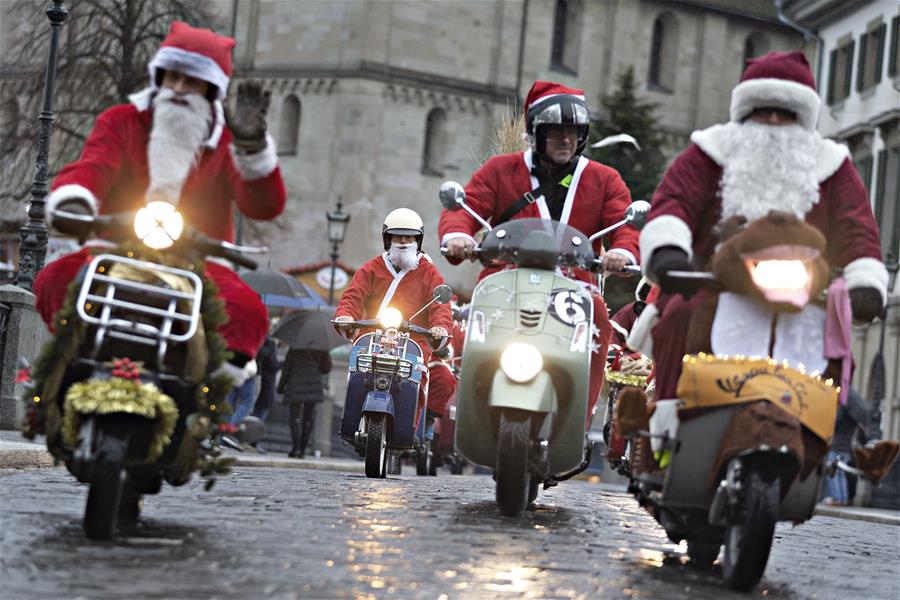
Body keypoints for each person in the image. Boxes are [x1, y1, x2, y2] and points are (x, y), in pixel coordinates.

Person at [33, 21, 286, 382]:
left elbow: (262, 206)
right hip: (115, 245)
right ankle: (71, 366)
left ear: (211, 89)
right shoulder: (122, 121)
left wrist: (252, 148)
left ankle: (205, 405)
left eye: (192, 81)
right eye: (173, 78)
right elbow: (93, 166)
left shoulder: (227, 141)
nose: (180, 89)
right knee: (58, 278)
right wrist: (75, 203)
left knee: (247, 311)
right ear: (160, 78)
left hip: (196, 261)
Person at [635, 51, 887, 401]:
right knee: (679, 318)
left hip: (805, 294)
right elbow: (675, 200)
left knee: (832, 347)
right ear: (744, 111)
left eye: (784, 113)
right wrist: (668, 250)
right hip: (713, 282)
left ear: (802, 117)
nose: (770, 120)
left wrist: (865, 283)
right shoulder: (710, 151)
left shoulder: (832, 164)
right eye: (761, 109)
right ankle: (665, 434)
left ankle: (822, 444)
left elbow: (857, 228)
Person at [438, 80, 640, 423]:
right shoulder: (500, 170)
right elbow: (465, 206)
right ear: (535, 132)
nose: (566, 139)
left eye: (573, 132)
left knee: (598, 315)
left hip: (574, 284)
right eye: (556, 131)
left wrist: (621, 252)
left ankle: (578, 416)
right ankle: (471, 404)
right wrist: (458, 235)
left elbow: (625, 223)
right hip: (505, 275)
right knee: (477, 316)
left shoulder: (604, 179)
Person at [334, 208, 453, 426]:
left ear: (419, 239)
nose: (404, 241)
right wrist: (345, 315)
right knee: (358, 372)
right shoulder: (371, 268)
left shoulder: (430, 272)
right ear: (388, 239)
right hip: (373, 333)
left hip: (414, 339)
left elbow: (440, 306)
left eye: (409, 236)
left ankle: (410, 426)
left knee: (418, 376)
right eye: (398, 236)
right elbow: (352, 296)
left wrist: (439, 327)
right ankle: (352, 421)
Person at [278, 348, 332, 458]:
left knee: (294, 418)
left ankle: (296, 448)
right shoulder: (321, 347)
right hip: (313, 385)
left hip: (296, 384)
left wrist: (281, 387)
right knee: (308, 419)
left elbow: (287, 368)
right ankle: (302, 450)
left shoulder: (295, 347)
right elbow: (326, 368)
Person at [252, 336, 282, 423]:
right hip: (267, 383)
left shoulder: (262, 344)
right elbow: (273, 365)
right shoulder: (270, 346)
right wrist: (281, 364)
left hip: (261, 379)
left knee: (256, 409)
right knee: (262, 411)